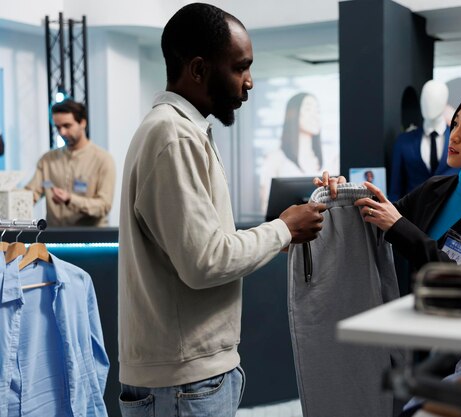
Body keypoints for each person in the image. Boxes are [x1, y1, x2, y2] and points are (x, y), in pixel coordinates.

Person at [117, 4, 326, 417]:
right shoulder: (173, 136)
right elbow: (204, 262)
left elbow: (204, 247)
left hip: (190, 377)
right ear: (198, 69)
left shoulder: (181, 131)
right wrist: (282, 229)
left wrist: (280, 235)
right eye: (240, 67)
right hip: (183, 383)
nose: (249, 82)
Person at [318, 89, 461, 272]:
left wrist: (399, 227)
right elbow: (375, 219)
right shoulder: (434, 188)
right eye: (455, 124)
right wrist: (343, 194)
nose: (454, 135)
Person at [24, 99, 115, 227]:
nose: (62, 132)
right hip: (54, 238)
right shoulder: (47, 160)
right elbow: (30, 194)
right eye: (58, 127)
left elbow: (104, 205)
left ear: (82, 122)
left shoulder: (103, 160)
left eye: (67, 126)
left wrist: (70, 199)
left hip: (91, 240)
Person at [389, 80, 460, 202]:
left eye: (435, 98)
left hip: (450, 212)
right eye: (425, 98)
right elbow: (395, 189)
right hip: (411, 214)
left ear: (444, 102)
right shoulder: (404, 141)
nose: (428, 103)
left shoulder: (459, 139)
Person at [260, 92, 324, 212]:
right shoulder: (275, 159)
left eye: (318, 110)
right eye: (308, 109)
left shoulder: (331, 159)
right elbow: (265, 207)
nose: (315, 115)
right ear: (294, 114)